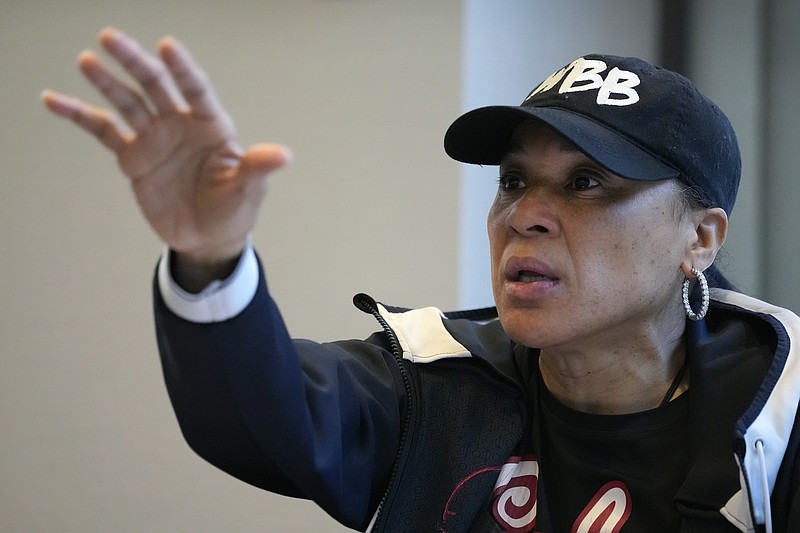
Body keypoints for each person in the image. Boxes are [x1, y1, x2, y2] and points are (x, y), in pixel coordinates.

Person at [42, 28, 800, 533]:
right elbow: (260, 413)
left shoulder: (782, 412)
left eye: (587, 182)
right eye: (512, 179)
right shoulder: (434, 379)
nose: (525, 215)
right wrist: (211, 257)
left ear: (698, 239)